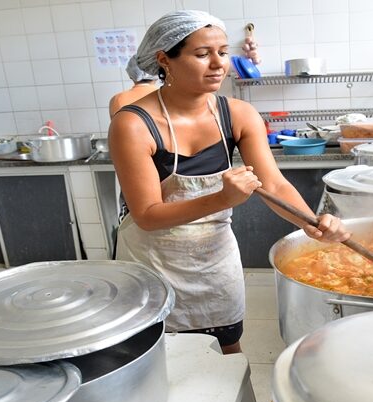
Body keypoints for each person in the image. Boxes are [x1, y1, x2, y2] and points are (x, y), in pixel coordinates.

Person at [108, 10, 349, 355]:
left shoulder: (237, 114)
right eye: (202, 54)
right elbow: (147, 215)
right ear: (165, 60)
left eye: (222, 52)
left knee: (226, 351)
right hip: (153, 261)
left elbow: (275, 186)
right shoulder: (132, 124)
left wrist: (310, 223)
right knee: (160, 357)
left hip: (213, 260)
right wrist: (222, 199)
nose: (218, 63)